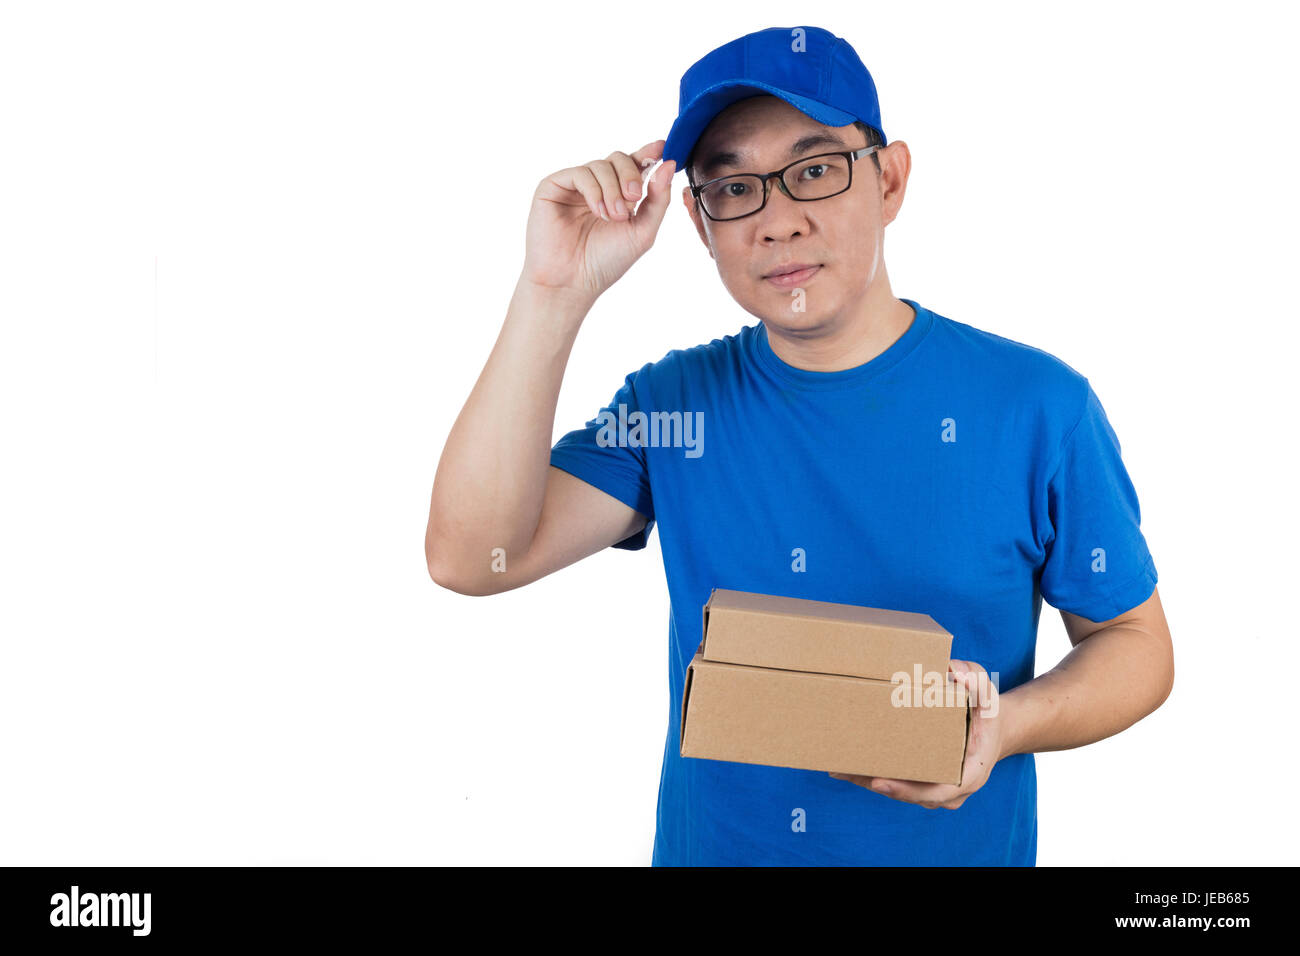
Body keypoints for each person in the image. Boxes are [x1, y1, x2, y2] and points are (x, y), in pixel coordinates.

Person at [424, 25, 1174, 866]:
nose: (776, 222)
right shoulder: (675, 409)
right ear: (701, 226)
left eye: (814, 170)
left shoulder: (1037, 406)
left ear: (888, 179)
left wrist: (1006, 725)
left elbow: (1135, 646)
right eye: (733, 188)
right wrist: (551, 292)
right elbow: (471, 558)